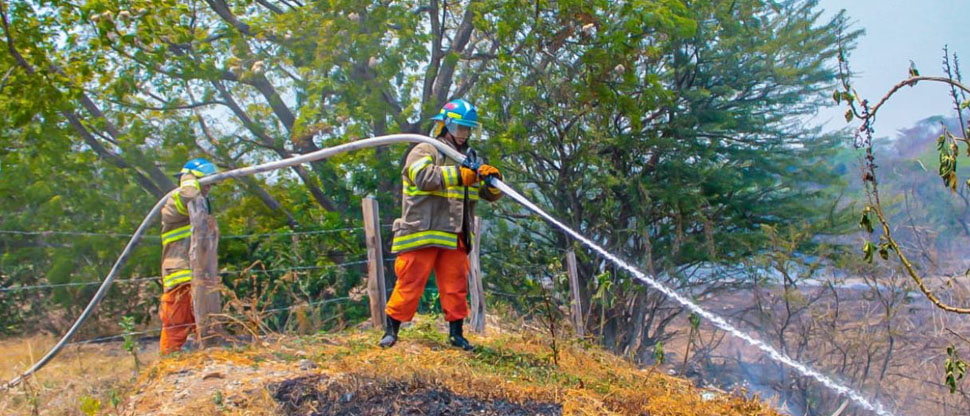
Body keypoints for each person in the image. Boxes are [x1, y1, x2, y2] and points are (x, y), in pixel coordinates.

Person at [379, 99, 503, 350]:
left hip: (455, 234)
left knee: (456, 285)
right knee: (410, 281)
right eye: (460, 129)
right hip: (422, 231)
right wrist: (459, 175)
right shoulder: (426, 150)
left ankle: (456, 335)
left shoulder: (467, 158)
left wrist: (492, 182)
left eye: (468, 129)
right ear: (445, 125)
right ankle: (391, 332)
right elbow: (423, 177)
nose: (464, 135)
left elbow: (482, 192)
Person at [158, 158, 217, 355]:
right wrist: (189, 178)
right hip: (179, 271)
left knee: (205, 321)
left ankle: (207, 358)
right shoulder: (174, 201)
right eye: (205, 182)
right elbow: (189, 193)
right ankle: (169, 363)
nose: (208, 187)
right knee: (176, 322)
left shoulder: (202, 203)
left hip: (199, 273)